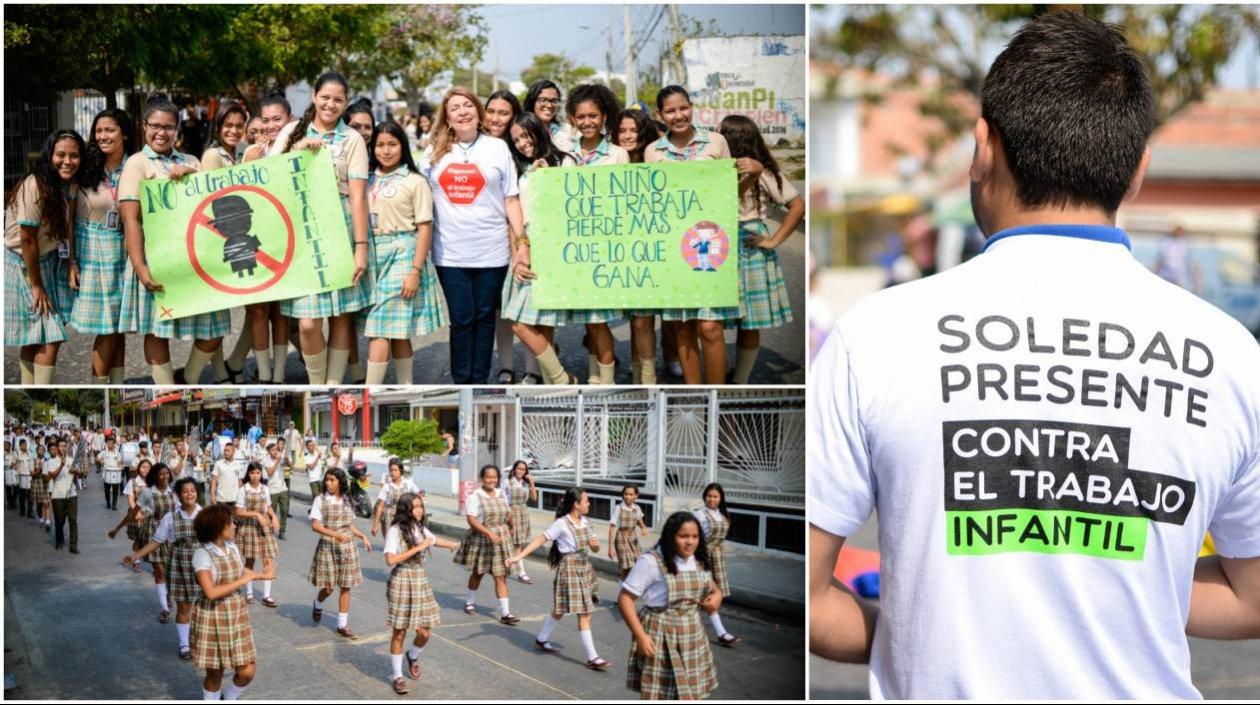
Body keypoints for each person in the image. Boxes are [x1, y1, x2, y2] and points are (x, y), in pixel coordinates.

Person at [808, 12, 1260, 699]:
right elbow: (1251, 596)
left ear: (983, 146)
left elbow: (807, 590)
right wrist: (1128, 584)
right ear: (1138, 169)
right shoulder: (1230, 356)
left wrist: (915, 622)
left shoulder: (874, 335)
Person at [118, 93, 227, 385]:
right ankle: (165, 386)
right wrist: (140, 266)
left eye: (168, 127)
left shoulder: (190, 160)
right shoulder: (136, 163)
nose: (161, 133)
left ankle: (188, 378)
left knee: (215, 327)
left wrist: (191, 175)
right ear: (145, 126)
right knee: (157, 331)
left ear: (176, 130)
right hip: (156, 258)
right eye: (155, 126)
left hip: (193, 258)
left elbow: (210, 205)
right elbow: (131, 219)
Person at [270, 72, 371, 385]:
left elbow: (357, 197)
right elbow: (271, 180)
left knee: (341, 314)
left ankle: (333, 384)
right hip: (302, 234)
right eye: (325, 97)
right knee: (308, 323)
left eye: (338, 99)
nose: (331, 104)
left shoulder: (351, 139)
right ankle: (317, 382)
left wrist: (360, 248)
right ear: (314, 96)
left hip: (340, 229)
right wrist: (298, 151)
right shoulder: (290, 131)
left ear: (345, 104)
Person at [421, 87, 525, 384]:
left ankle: (479, 381)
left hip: (492, 252)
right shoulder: (434, 152)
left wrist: (521, 245)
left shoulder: (497, 148)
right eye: (455, 108)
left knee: (484, 317)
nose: (463, 111)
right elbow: (414, 190)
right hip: (449, 254)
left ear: (478, 111)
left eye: (468, 105)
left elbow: (512, 200)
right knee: (462, 318)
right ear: (447, 117)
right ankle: (461, 381)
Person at [645, 86, 739, 385]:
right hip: (672, 245)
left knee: (710, 326)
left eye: (683, 108)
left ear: (692, 107)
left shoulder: (716, 142)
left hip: (711, 244)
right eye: (670, 111)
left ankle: (717, 395)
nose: (678, 115)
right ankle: (695, 396)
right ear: (660, 115)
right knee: (683, 327)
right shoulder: (654, 151)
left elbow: (731, 190)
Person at [718, 114, 804, 384]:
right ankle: (725, 377)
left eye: (721, 133)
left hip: (749, 243)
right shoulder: (718, 167)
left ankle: (740, 380)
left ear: (733, 139)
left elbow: (798, 205)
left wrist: (773, 240)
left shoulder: (763, 171)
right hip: (721, 242)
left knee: (750, 319)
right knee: (715, 318)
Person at [362, 120, 445, 384]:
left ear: (403, 146)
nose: (385, 151)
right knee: (397, 329)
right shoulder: (366, 178)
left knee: (379, 326)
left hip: (404, 251)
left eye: (392, 144)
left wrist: (415, 271)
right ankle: (405, 386)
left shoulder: (415, 181)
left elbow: (424, 228)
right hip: (375, 253)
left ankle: (370, 390)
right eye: (380, 145)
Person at [502, 113, 579, 385]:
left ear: (539, 131)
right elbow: (514, 214)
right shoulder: (517, 166)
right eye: (516, 140)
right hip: (526, 243)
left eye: (526, 135)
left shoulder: (564, 161)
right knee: (536, 323)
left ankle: (560, 380)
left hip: (552, 244)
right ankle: (557, 381)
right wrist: (519, 252)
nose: (522, 144)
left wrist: (548, 178)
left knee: (521, 323)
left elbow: (573, 206)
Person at [4, 129, 83, 383]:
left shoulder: (69, 183)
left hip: (48, 261)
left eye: (74, 155)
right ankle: (39, 389)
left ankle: (30, 386)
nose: (67, 161)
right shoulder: (34, 185)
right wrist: (36, 285)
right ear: (50, 155)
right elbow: (27, 239)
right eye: (61, 155)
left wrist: (70, 260)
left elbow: (67, 224)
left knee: (35, 335)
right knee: (52, 335)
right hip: (22, 264)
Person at [619, 511, 721, 700]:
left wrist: (717, 596)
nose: (689, 542)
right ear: (670, 536)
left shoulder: (697, 560)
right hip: (660, 634)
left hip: (692, 634)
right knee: (662, 694)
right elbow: (625, 599)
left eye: (694, 536)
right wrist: (641, 636)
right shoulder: (651, 562)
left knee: (691, 692)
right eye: (683, 536)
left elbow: (713, 588)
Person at [508, 486, 611, 670]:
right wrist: (519, 556)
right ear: (576, 504)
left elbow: (594, 549)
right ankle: (592, 657)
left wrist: (595, 546)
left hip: (584, 567)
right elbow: (541, 539)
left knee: (561, 608)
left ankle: (541, 639)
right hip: (569, 568)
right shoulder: (562, 523)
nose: (589, 503)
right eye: (586, 501)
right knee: (584, 613)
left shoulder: (586, 522)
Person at [70, 109, 134, 383]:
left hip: (124, 249)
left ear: (125, 134)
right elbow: (68, 217)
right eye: (99, 131)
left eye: (110, 130)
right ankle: (98, 385)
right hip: (92, 250)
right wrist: (71, 260)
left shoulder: (135, 166)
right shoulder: (85, 167)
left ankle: (116, 385)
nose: (103, 136)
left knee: (118, 326)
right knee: (106, 327)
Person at [237, 91, 296, 383]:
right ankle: (263, 373)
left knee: (281, 312)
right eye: (266, 120)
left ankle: (280, 374)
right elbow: (233, 193)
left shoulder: (298, 148)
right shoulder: (251, 152)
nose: (271, 125)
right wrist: (246, 163)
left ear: (290, 120)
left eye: (278, 119)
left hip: (286, 240)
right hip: (253, 239)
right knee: (258, 311)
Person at [615, 108, 674, 383]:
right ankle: (638, 366)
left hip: (658, 245)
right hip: (622, 247)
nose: (628, 136)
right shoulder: (612, 160)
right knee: (637, 315)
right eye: (622, 130)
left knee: (654, 314)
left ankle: (653, 371)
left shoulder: (656, 156)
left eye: (634, 130)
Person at [382, 493, 459, 694]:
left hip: (420, 580)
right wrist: (419, 547)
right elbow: (391, 560)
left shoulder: (419, 527)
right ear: (405, 509)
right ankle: (398, 676)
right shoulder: (395, 531)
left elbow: (434, 540)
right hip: (402, 580)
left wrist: (453, 544)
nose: (419, 510)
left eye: (420, 506)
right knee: (399, 631)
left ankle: (413, 655)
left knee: (425, 632)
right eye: (415, 507)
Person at [189, 503, 266, 700]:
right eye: (231, 523)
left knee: (247, 669)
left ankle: (229, 698)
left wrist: (260, 575)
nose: (234, 527)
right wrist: (243, 580)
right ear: (218, 528)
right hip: (212, 616)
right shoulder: (202, 554)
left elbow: (241, 573)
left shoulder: (231, 547)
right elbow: (210, 592)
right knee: (215, 672)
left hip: (236, 613)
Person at [483, 88, 532, 384]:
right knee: (500, 308)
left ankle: (533, 370)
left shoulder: (522, 148)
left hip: (520, 235)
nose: (495, 118)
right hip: (489, 238)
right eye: (491, 111)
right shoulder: (476, 146)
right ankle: (505, 367)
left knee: (526, 305)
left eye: (503, 112)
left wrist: (521, 241)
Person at [124, 477, 202, 660]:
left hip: (202, 565)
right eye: (185, 491)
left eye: (192, 490)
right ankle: (184, 644)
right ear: (178, 496)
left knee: (200, 606)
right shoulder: (171, 517)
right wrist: (135, 556)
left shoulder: (204, 514)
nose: (190, 494)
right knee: (184, 607)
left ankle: (198, 638)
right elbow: (156, 541)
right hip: (179, 565)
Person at [308, 467, 372, 639]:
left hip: (347, 547)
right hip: (328, 547)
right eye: (327, 480)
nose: (328, 483)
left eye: (332, 480)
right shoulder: (320, 500)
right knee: (328, 588)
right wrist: (334, 534)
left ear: (340, 482)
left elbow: (349, 524)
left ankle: (342, 625)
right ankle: (318, 603)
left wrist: (362, 536)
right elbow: (315, 525)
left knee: (346, 585)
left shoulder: (347, 500)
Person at [452, 464, 518, 623]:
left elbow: (507, 511)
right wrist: (489, 533)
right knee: (478, 573)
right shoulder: (475, 496)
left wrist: (512, 525)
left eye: (494, 477)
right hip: (482, 538)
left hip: (500, 538)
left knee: (500, 575)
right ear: (482, 478)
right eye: (488, 477)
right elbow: (471, 520)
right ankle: (469, 602)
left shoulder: (501, 493)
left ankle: (506, 613)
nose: (492, 480)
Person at [694, 483, 740, 646]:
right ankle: (720, 632)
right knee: (703, 594)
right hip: (701, 557)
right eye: (709, 496)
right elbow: (694, 538)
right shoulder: (699, 515)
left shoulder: (723, 515)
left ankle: (718, 631)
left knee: (713, 594)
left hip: (717, 558)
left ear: (721, 499)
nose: (711, 499)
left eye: (715, 496)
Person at [234, 462, 279, 607]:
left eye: (258, 473)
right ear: (248, 474)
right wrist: (255, 514)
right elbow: (238, 511)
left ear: (261, 474)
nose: (255, 476)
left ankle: (267, 595)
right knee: (250, 560)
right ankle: (249, 592)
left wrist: (274, 517)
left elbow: (268, 507)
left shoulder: (264, 488)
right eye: (252, 473)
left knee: (269, 559)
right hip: (249, 528)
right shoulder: (243, 490)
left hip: (264, 528)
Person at [139, 462, 177, 620]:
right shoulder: (147, 492)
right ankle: (164, 609)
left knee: (169, 571)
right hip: (152, 533)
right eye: (161, 474)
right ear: (155, 476)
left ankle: (168, 594)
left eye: (167, 473)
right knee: (159, 572)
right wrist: (118, 528)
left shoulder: (173, 492)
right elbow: (136, 511)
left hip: (170, 534)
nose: (165, 476)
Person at [45, 437, 86, 553]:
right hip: (58, 495)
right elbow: (52, 476)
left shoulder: (72, 459)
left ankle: (73, 546)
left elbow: (81, 475)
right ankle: (59, 540)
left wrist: (78, 472)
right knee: (59, 521)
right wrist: (61, 465)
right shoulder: (51, 462)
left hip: (72, 494)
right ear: (57, 448)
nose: (63, 448)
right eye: (61, 446)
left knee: (73, 521)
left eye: (65, 446)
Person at [371, 457, 420, 540]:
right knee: (391, 542)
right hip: (390, 518)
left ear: (401, 470)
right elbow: (380, 506)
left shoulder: (408, 484)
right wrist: (375, 525)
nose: (393, 473)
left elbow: (418, 495)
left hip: (404, 517)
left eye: (395, 470)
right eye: (391, 470)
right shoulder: (387, 487)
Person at [505, 460, 538, 584]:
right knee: (515, 543)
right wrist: (509, 519)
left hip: (523, 514)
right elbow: (504, 501)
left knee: (518, 543)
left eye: (523, 470)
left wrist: (532, 482)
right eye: (519, 468)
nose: (521, 471)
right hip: (511, 513)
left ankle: (512, 565)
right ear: (514, 469)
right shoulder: (507, 482)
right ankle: (521, 572)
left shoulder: (525, 484)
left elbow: (534, 499)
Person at [523, 79, 577, 152]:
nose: (549, 105)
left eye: (554, 101)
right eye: (543, 100)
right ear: (532, 102)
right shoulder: (521, 131)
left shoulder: (567, 131)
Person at [609, 484, 649, 579]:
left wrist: (643, 527)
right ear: (623, 495)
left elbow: (639, 520)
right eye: (626, 494)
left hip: (633, 539)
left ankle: (631, 587)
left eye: (631, 494)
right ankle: (623, 588)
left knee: (637, 563)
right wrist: (611, 547)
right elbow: (612, 527)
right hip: (621, 540)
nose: (628, 497)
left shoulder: (637, 508)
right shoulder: (619, 508)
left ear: (636, 496)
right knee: (626, 567)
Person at [263, 442, 289, 539]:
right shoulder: (266, 461)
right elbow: (270, 473)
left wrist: (286, 458)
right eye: (272, 450)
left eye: (276, 450)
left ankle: (282, 531)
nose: (275, 452)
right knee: (271, 512)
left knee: (284, 510)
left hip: (283, 488)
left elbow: (290, 466)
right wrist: (277, 461)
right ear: (268, 452)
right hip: (272, 490)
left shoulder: (280, 457)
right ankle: (269, 529)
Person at [209, 442, 243, 509]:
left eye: (228, 450)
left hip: (235, 499)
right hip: (221, 499)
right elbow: (214, 481)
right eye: (225, 450)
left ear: (233, 451)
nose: (225, 452)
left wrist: (241, 498)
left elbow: (240, 482)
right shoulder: (218, 464)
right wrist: (212, 495)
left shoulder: (239, 465)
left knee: (233, 519)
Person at [98, 434, 125, 510]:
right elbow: (97, 458)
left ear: (114, 444)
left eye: (110, 443)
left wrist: (121, 466)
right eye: (108, 443)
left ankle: (114, 505)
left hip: (116, 473)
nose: (108, 444)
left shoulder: (118, 453)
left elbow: (119, 463)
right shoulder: (104, 452)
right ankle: (108, 501)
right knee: (107, 490)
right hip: (106, 474)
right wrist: (100, 460)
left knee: (115, 491)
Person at [15, 439, 35, 518]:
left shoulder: (30, 454)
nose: (24, 446)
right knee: (22, 496)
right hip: (22, 476)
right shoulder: (17, 454)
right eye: (22, 445)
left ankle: (30, 512)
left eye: (25, 444)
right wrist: (17, 470)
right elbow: (13, 464)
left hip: (30, 476)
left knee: (31, 496)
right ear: (19, 446)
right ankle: (22, 511)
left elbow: (33, 463)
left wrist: (33, 473)